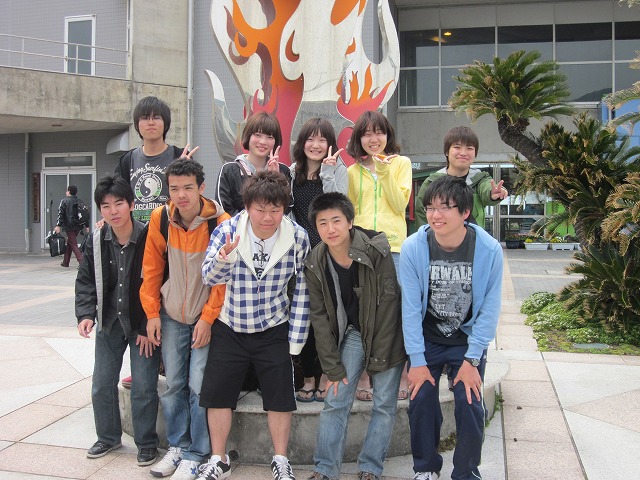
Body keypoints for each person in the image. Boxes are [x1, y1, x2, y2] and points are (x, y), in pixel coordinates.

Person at [198, 170, 310, 480]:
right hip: (230, 324)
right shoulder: (227, 230)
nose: (268, 217)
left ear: (284, 208)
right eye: (260, 209)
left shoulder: (297, 236)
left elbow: (302, 290)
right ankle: (218, 459)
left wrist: (296, 341)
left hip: (274, 326)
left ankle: (281, 459)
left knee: (280, 396)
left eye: (275, 209)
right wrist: (223, 258)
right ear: (248, 207)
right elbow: (208, 277)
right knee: (218, 394)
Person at [399, 176, 503, 480]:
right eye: (431, 207)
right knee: (420, 399)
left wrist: (472, 360)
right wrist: (416, 360)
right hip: (427, 338)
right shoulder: (413, 247)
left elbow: (489, 310)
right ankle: (426, 468)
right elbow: (410, 309)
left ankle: (466, 472)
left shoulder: (488, 249)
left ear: (465, 212)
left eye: (445, 208)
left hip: (466, 340)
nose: (436, 215)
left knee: (469, 401)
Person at [304, 192, 405, 480]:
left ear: (350, 222)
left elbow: (389, 304)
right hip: (352, 333)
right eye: (323, 223)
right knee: (335, 399)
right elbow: (319, 318)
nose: (331, 229)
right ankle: (325, 469)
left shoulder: (376, 249)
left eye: (336, 220)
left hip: (387, 333)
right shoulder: (316, 261)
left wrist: (378, 357)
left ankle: (370, 467)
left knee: (384, 404)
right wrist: (331, 366)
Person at [140, 159, 229, 480]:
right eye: (174, 188)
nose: (181, 195)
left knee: (198, 384)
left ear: (201, 188)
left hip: (206, 317)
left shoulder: (219, 222)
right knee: (174, 383)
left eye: (188, 188)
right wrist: (152, 313)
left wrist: (208, 318)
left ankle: (197, 453)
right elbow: (151, 269)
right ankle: (177, 446)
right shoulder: (161, 218)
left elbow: (223, 278)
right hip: (172, 314)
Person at [75, 175, 160, 467]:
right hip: (109, 321)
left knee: (144, 387)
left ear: (132, 205)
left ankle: (146, 443)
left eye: (119, 203)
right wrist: (86, 313)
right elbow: (86, 279)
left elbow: (159, 281)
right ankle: (108, 437)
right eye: (106, 206)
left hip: (141, 325)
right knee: (101, 384)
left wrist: (149, 323)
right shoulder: (96, 239)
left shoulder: (149, 236)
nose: (113, 211)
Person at [346, 110, 412, 402]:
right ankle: (363, 375)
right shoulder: (352, 172)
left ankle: (403, 373)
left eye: (379, 132)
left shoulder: (401, 164)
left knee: (396, 312)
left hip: (394, 247)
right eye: (367, 133)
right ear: (359, 138)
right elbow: (350, 212)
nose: (374, 139)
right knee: (363, 312)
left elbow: (399, 204)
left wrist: (384, 170)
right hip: (362, 248)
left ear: (388, 135)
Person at [290, 118, 348, 403]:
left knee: (328, 316)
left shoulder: (339, 169)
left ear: (330, 144)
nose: (316, 145)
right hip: (301, 256)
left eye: (322, 139)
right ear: (302, 143)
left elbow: (339, 206)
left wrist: (327, 173)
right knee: (304, 316)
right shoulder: (292, 172)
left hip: (328, 253)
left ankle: (326, 374)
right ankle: (308, 377)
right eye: (310, 139)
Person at [414, 126, 508, 230]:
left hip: (473, 238)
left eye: (469, 148)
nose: (463, 153)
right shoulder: (432, 182)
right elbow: (421, 215)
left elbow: (486, 188)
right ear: (446, 152)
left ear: (475, 153)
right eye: (457, 147)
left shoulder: (480, 179)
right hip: (439, 238)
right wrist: (426, 237)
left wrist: (492, 193)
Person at [115, 96, 188, 224]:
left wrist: (185, 168)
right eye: (144, 118)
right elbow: (116, 197)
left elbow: (192, 198)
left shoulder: (180, 156)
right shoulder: (127, 160)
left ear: (165, 123)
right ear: (137, 124)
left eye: (156, 117)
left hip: (172, 229)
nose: (151, 122)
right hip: (137, 232)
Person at [214, 111, 291, 216]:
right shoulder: (229, 170)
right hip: (238, 226)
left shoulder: (282, 170)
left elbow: (287, 207)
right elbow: (223, 209)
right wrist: (251, 222)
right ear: (248, 136)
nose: (263, 142)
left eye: (270, 137)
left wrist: (275, 179)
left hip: (272, 226)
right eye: (258, 135)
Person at [54, 185, 88, 267]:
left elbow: (60, 214)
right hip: (78, 226)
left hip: (69, 226)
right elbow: (85, 213)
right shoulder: (79, 201)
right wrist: (86, 225)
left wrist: (58, 225)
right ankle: (66, 262)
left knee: (73, 244)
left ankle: (82, 263)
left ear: (69, 192)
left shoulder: (64, 201)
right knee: (70, 242)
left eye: (67, 190)